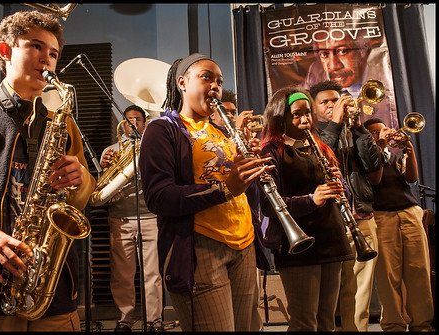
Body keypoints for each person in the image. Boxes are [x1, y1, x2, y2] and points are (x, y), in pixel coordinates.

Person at [0, 10, 95, 332]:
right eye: (36, 47)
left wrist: (79, 179)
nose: (47, 59)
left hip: (51, 285)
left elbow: (81, 196)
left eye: (53, 53)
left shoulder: (62, 122)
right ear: (5, 51)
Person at [138, 53, 272, 331]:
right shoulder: (162, 129)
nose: (215, 86)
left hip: (243, 243)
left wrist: (252, 174)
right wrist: (224, 189)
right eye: (206, 77)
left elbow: (244, 194)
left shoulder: (223, 134)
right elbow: (159, 197)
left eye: (219, 82)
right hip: (200, 248)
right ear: (182, 82)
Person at [259, 86, 354, 331]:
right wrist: (312, 199)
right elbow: (270, 206)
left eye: (308, 113)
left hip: (331, 239)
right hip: (299, 246)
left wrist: (340, 185)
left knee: (327, 321)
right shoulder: (271, 151)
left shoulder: (322, 148)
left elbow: (346, 196)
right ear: (280, 117)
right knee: (304, 322)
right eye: (297, 114)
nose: (305, 120)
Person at [309, 80, 383, 331]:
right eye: (325, 102)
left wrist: (359, 127)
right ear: (314, 108)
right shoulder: (311, 134)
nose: (333, 105)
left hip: (362, 217)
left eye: (336, 99)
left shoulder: (354, 132)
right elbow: (320, 162)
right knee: (330, 294)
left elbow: (374, 166)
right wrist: (336, 124)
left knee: (360, 292)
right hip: (331, 222)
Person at [364, 118, 434, 332]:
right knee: (388, 275)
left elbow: (412, 178)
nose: (379, 135)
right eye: (373, 133)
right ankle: (393, 324)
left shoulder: (393, 156)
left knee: (419, 270)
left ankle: (422, 324)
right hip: (382, 215)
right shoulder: (365, 157)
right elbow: (374, 180)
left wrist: (409, 149)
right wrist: (381, 145)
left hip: (409, 212)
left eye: (381, 131)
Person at [98, 105, 163, 332]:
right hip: (120, 218)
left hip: (149, 216)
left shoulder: (153, 147)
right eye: (128, 120)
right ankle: (125, 318)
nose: (132, 124)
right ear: (122, 124)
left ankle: (154, 320)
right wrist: (105, 167)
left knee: (152, 273)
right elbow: (104, 185)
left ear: (144, 123)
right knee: (122, 274)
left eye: (137, 120)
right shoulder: (110, 151)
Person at [209, 88, 269, 331]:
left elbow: (253, 198)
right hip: (215, 236)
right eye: (224, 112)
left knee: (248, 311)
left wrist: (251, 163)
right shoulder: (209, 144)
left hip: (245, 234)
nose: (230, 117)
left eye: (232, 112)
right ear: (211, 115)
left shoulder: (241, 142)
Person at [302, 29, 397, 130]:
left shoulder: (386, 80)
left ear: (362, 53)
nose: (334, 66)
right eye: (324, 54)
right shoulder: (315, 70)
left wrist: (358, 126)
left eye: (343, 51)